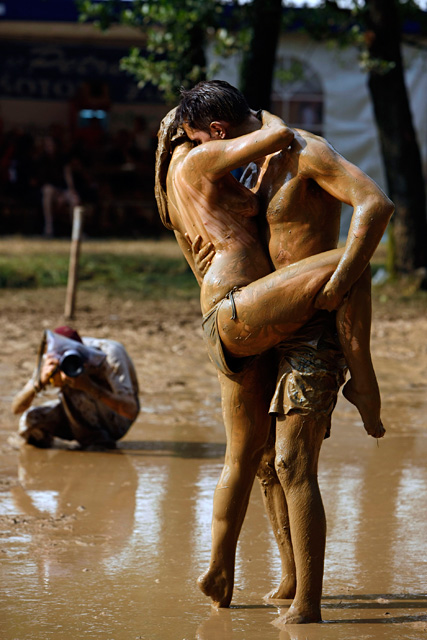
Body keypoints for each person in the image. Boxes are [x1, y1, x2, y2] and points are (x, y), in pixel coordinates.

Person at [155, 81, 393, 619]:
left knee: (290, 460)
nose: (192, 150)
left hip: (311, 324)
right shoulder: (252, 163)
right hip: (264, 314)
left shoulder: (305, 151)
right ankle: (288, 578)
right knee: (261, 461)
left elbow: (375, 205)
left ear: (216, 131)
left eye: (196, 139)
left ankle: (308, 603)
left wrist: (338, 285)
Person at [12, 326, 140, 451]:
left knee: (78, 393)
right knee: (31, 422)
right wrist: (39, 383)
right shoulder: (51, 357)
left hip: (116, 421)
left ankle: (98, 441)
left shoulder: (108, 354)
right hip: (73, 415)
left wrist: (89, 386)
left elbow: (130, 411)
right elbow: (16, 408)